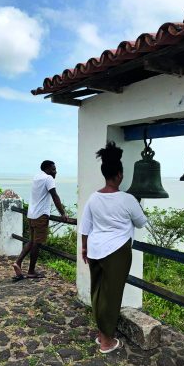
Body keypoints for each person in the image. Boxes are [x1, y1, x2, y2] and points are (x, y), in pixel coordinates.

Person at [79, 142, 147, 354]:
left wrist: (84, 249)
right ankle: (107, 342)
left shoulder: (93, 197)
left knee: (98, 292)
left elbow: (85, 226)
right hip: (117, 251)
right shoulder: (127, 200)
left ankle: (102, 334)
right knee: (113, 295)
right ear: (119, 175)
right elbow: (141, 221)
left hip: (95, 249)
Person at [13, 160, 67, 282]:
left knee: (32, 241)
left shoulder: (37, 177)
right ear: (47, 169)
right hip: (41, 215)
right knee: (37, 243)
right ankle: (31, 271)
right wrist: (63, 213)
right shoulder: (48, 178)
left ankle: (18, 262)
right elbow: (54, 195)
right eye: (53, 169)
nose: (55, 172)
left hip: (31, 214)